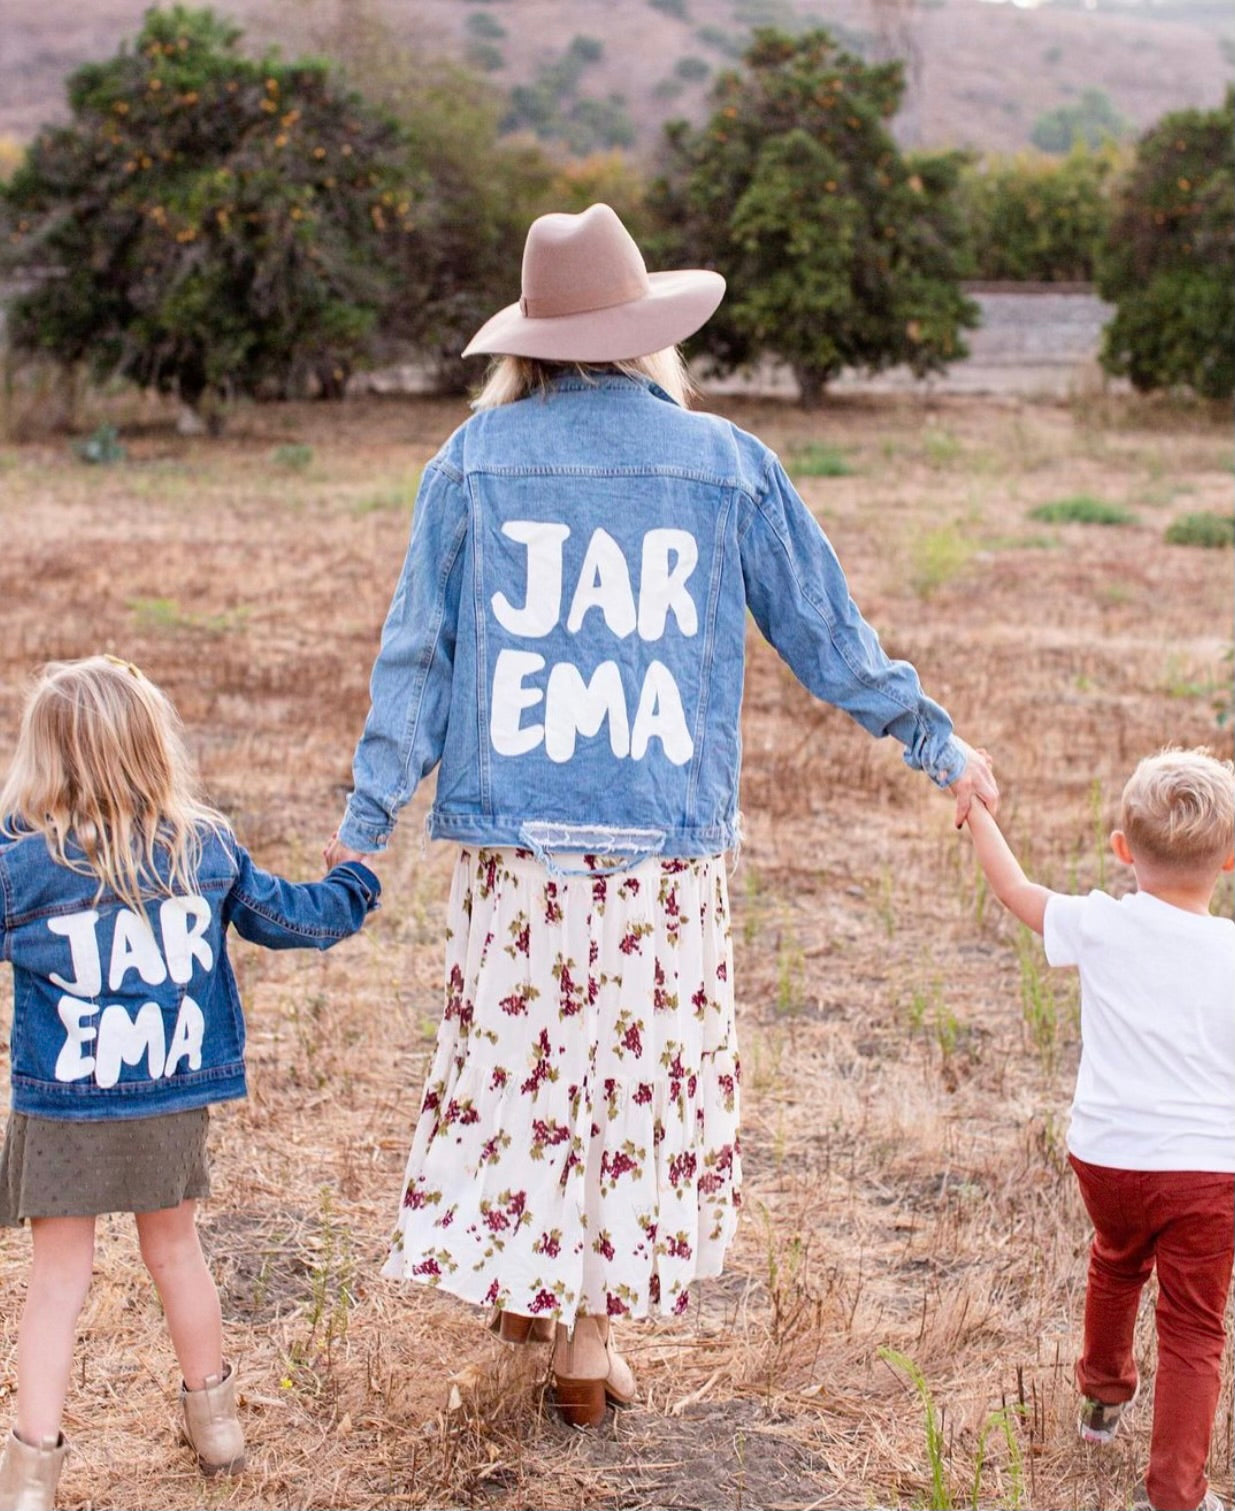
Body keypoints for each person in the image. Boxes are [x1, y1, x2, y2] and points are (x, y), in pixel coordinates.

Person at [325, 202, 997, 1428]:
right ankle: (585, 1338)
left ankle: (529, 1282)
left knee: (526, 1067)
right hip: (660, 849)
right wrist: (929, 738)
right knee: (627, 1083)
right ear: (646, 335)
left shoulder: (469, 462)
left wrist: (365, 816)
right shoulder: (725, 460)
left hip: (518, 842)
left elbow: (417, 657)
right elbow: (825, 635)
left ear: (527, 339)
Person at [0, 656, 381, 1511]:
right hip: (169, 1095)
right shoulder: (204, 848)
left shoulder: (24, 867)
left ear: (43, 762)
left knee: (59, 1279)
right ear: (152, 748)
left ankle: (30, 1474)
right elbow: (289, 917)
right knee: (176, 1252)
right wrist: (353, 880)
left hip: (65, 1105)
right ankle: (217, 1428)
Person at [963, 747, 1234, 1511]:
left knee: (1115, 1262)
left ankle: (1101, 1398)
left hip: (1107, 1157)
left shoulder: (1101, 923)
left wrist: (976, 810)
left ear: (1122, 851)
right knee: (1192, 1327)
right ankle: (1176, 1492)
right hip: (1206, 1170)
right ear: (1230, 858)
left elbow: (1013, 888)